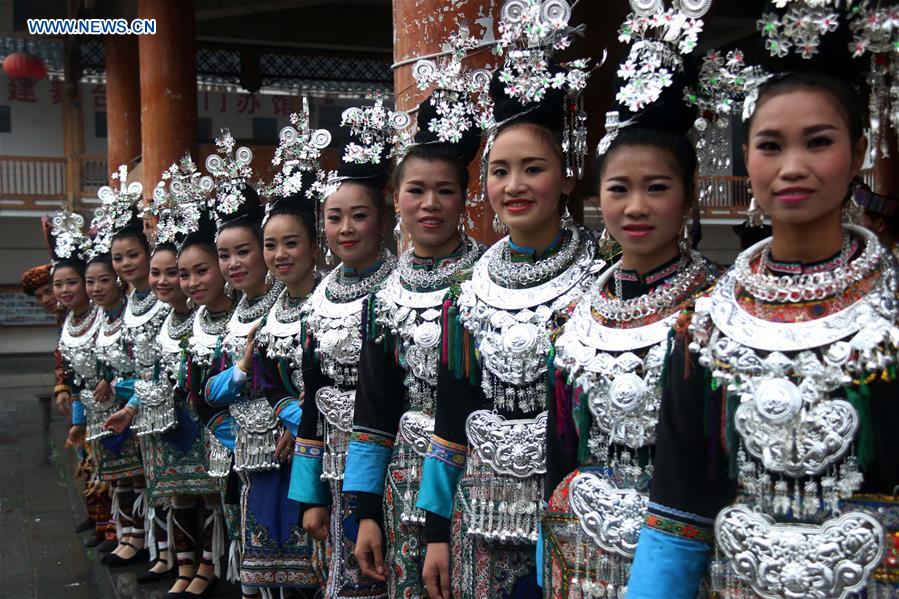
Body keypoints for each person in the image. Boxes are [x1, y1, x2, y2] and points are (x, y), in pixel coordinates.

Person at [627, 4, 899, 598]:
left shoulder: (891, 310)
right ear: (747, 157)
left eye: (819, 142)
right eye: (771, 146)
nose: (792, 167)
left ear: (858, 153)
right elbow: (679, 500)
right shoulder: (704, 323)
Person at [417, 6, 604, 596]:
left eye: (533, 168)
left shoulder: (603, 284)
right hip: (479, 518)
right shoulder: (467, 293)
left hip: (580, 524)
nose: (515, 186)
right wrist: (435, 532)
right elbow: (450, 421)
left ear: (568, 174)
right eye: (500, 171)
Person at [542, 9, 720, 595]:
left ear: (689, 197)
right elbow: (561, 445)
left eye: (657, 188)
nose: (636, 207)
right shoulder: (576, 312)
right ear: (598, 195)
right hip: (581, 544)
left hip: (684, 549)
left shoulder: (715, 309)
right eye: (619, 188)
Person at [344, 60, 485, 597]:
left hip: (480, 482)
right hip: (402, 482)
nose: (431, 204)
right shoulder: (383, 296)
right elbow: (373, 408)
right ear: (395, 199)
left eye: (445, 191)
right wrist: (364, 510)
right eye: (417, 190)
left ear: (464, 197)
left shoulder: (487, 285)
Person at [290, 99, 401, 599]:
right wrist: (308, 491)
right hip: (332, 464)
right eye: (335, 218)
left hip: (392, 462)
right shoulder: (318, 297)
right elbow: (311, 395)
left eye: (359, 215)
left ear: (383, 218)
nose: (346, 229)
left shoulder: (401, 288)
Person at [103, 157, 228, 592]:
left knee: (208, 497)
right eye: (156, 272)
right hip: (162, 423)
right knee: (178, 498)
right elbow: (151, 371)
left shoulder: (205, 316)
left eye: (172, 272)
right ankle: (184, 566)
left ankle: (208, 570)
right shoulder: (166, 320)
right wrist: (132, 408)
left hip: (198, 423)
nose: (163, 281)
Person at [204, 128, 319, 598]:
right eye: (224, 255)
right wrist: (237, 375)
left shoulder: (299, 302)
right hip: (251, 450)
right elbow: (207, 392)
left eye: (245, 251)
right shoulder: (243, 314)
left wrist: (297, 419)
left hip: (299, 446)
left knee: (308, 561)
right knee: (264, 565)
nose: (234, 264)